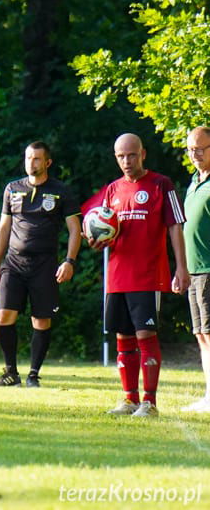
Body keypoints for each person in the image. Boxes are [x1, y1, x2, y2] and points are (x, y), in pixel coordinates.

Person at [87, 133, 189, 418]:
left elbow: (175, 227)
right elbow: (101, 230)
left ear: (143, 154)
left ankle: (149, 402)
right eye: (121, 156)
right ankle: (129, 399)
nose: (126, 161)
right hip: (118, 276)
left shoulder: (161, 184)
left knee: (146, 334)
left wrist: (181, 267)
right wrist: (96, 240)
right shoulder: (112, 190)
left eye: (131, 155)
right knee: (123, 337)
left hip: (148, 275)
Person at [0, 142, 81, 388]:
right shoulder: (12, 188)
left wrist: (69, 261)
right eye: (29, 158)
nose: (32, 163)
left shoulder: (61, 191)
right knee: (4, 314)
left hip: (45, 264)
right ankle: (10, 373)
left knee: (41, 320)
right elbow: (3, 227)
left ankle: (33, 374)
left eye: (37, 159)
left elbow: (75, 229)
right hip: (14, 263)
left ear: (47, 162)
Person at [181, 127, 210, 412]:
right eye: (191, 149)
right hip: (193, 271)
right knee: (201, 335)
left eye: (201, 148)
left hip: (209, 269)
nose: (195, 154)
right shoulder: (193, 182)